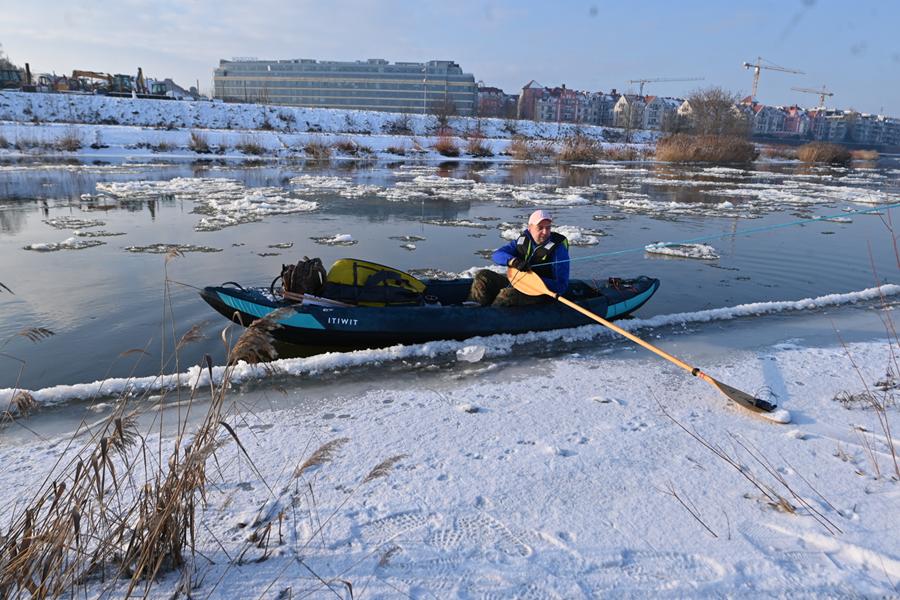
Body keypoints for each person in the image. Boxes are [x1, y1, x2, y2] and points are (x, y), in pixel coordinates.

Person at [469, 209, 570, 307]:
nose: (545, 232)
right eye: (540, 228)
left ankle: (490, 317)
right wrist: (514, 262)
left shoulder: (558, 250)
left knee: (507, 295)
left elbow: (561, 285)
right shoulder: (523, 241)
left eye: (548, 228)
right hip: (519, 282)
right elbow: (497, 255)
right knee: (483, 276)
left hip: (541, 292)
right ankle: (473, 308)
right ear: (530, 228)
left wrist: (533, 280)